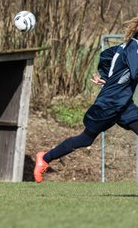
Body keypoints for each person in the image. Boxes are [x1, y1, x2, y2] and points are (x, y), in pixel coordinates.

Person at [34, 17, 138, 183]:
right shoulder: (135, 48)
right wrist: (112, 80)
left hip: (123, 104)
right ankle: (45, 158)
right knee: (85, 139)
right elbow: (135, 73)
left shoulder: (127, 46)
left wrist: (108, 79)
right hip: (109, 104)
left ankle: (44, 158)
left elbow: (106, 56)